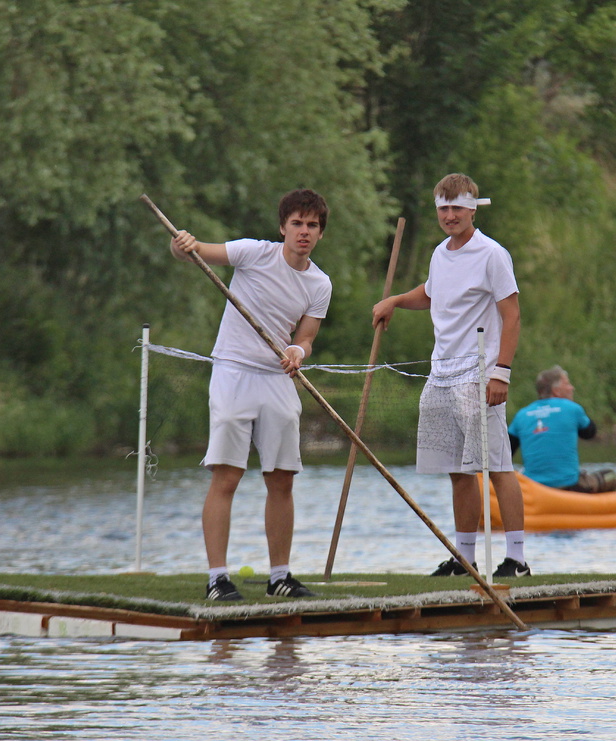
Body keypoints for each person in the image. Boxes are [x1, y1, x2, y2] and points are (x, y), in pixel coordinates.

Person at [169, 189, 332, 602]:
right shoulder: (253, 252)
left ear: (320, 233)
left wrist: (297, 351)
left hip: (277, 379)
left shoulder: (319, 283)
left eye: (312, 226)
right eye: (296, 223)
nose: (304, 232)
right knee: (227, 474)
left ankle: (280, 577)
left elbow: (306, 337)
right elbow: (197, 252)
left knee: (281, 479)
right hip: (233, 371)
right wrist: (183, 245)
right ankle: (217, 579)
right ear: (282, 227)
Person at [372, 173, 530, 578]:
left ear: (473, 208)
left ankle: (517, 559)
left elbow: (511, 316)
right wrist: (394, 301)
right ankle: (465, 559)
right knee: (458, 472)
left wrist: (502, 373)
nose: (450, 215)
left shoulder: (492, 254)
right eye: (443, 207)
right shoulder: (440, 253)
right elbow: (430, 293)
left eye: (457, 207)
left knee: (497, 467)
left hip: (479, 373)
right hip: (441, 372)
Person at [508, 366, 616, 493]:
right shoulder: (572, 408)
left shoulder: (521, 415)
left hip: (534, 487)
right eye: (567, 384)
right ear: (556, 390)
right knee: (611, 476)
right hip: (571, 486)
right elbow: (590, 433)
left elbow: (507, 453)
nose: (572, 388)